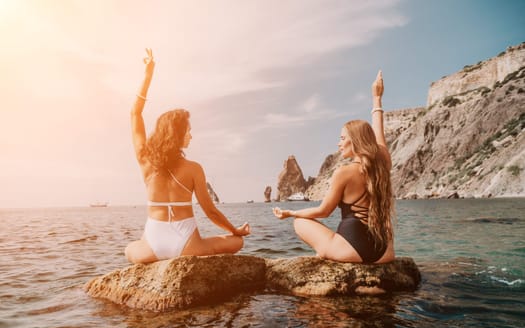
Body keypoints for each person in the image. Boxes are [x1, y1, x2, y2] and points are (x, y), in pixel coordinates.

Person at [125, 48, 251, 264]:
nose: (191, 135)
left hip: (152, 247)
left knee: (129, 249)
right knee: (237, 243)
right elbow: (210, 212)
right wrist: (235, 230)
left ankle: (150, 249)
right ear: (178, 135)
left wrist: (148, 75)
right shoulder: (193, 168)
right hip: (187, 246)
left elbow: (135, 113)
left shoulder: (145, 160)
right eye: (188, 131)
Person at [273, 70, 395, 264]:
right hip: (384, 253)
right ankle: (330, 249)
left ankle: (328, 251)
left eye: (342, 138)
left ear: (354, 141)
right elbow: (379, 131)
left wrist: (290, 213)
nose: (339, 144)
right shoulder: (383, 163)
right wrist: (376, 98)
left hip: (352, 251)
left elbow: (323, 211)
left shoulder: (344, 172)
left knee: (300, 223)